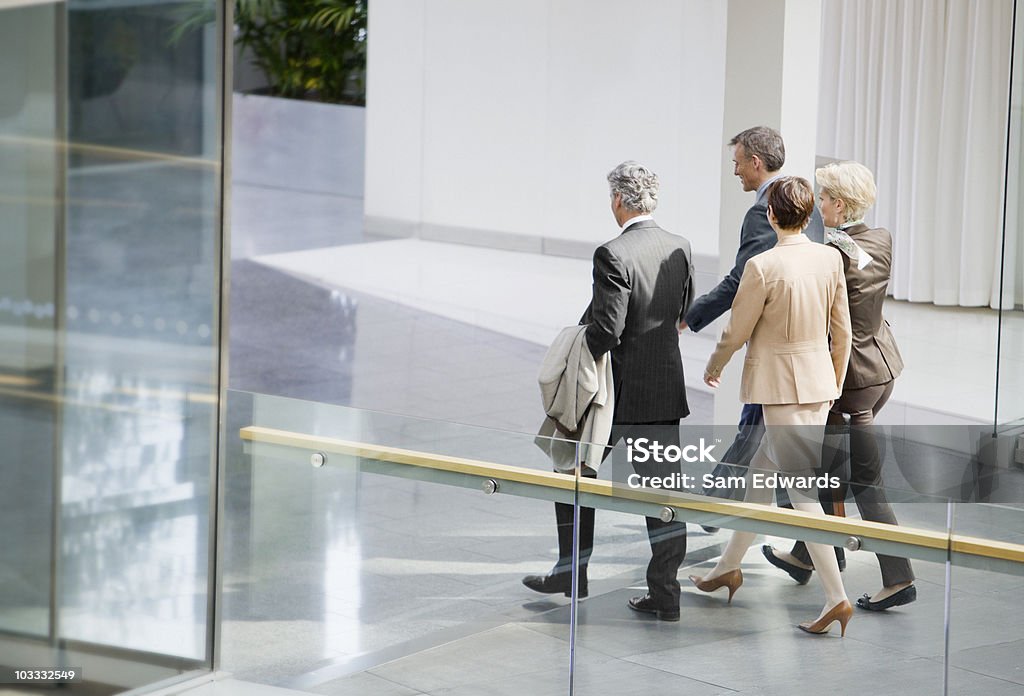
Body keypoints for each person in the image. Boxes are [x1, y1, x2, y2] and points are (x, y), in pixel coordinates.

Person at [523, 161, 695, 622]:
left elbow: (607, 330)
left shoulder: (612, 253)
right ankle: (666, 594)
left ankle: (571, 571)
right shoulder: (680, 246)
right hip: (664, 390)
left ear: (619, 200)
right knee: (665, 497)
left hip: (613, 395)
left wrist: (578, 343)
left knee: (571, 472)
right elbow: (685, 308)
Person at [689, 176, 854, 636]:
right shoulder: (828, 259)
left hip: (783, 390)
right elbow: (842, 331)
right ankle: (728, 568)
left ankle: (836, 598)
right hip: (818, 384)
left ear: (770, 215)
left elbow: (737, 330)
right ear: (808, 215)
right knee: (761, 480)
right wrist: (833, 380)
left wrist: (715, 364)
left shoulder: (762, 266)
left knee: (802, 497)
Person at [761, 161, 916, 611]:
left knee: (865, 482)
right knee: (827, 472)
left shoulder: (832, 255)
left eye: (824, 199)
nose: (818, 207)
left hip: (849, 383)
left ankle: (899, 577)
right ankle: (809, 555)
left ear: (841, 205)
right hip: (881, 367)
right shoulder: (880, 237)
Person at [682, 127, 824, 508]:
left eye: (738, 162)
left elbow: (742, 282)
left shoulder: (765, 211)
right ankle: (722, 504)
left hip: (778, 353)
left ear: (756, 163)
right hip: (808, 357)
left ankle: (717, 504)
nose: (736, 171)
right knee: (763, 439)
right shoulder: (807, 201)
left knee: (759, 433)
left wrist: (692, 316)